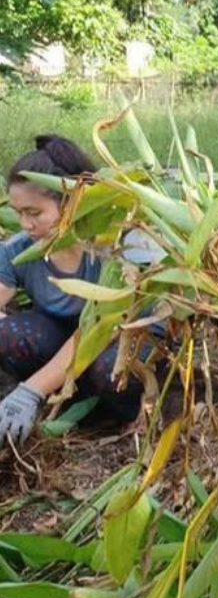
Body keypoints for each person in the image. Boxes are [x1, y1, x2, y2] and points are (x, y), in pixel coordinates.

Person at [0, 135, 146, 449]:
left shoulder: (114, 250)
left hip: (120, 339)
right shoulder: (20, 250)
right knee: (8, 334)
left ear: (71, 203)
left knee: (108, 370)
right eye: (18, 212)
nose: (25, 224)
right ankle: (67, 401)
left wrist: (30, 390)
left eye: (34, 213)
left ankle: (135, 411)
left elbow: (97, 331)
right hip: (66, 343)